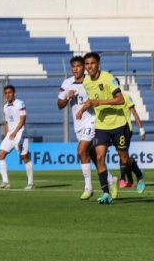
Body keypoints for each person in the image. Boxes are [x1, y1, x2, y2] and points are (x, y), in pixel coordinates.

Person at [79, 52, 144, 202]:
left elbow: (120, 100)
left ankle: (139, 174)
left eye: (92, 63)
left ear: (98, 64)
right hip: (101, 126)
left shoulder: (108, 78)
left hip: (118, 125)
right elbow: (93, 99)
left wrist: (100, 102)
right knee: (100, 157)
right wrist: (83, 109)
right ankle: (106, 193)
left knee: (125, 159)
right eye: (87, 64)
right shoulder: (86, 82)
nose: (89, 66)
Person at [58, 55, 102, 199]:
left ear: (84, 67)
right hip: (78, 125)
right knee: (93, 156)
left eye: (78, 66)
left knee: (81, 150)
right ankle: (110, 179)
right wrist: (67, 97)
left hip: (92, 121)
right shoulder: (67, 83)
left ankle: (88, 187)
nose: (75, 69)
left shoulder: (90, 81)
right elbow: (60, 105)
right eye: (73, 66)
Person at [0, 84, 34, 190]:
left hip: (20, 133)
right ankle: (5, 182)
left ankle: (31, 183)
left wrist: (16, 131)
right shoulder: (5, 106)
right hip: (10, 135)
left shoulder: (20, 103)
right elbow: (7, 122)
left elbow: (23, 119)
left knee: (25, 158)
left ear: (14, 93)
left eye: (10, 92)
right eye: (6, 93)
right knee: (0, 155)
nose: (8, 95)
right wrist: (6, 134)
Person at [119, 91, 147, 189]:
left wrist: (141, 129)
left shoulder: (126, 97)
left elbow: (134, 112)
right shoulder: (108, 99)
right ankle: (136, 176)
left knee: (122, 154)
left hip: (126, 130)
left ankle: (123, 179)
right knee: (123, 156)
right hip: (114, 130)